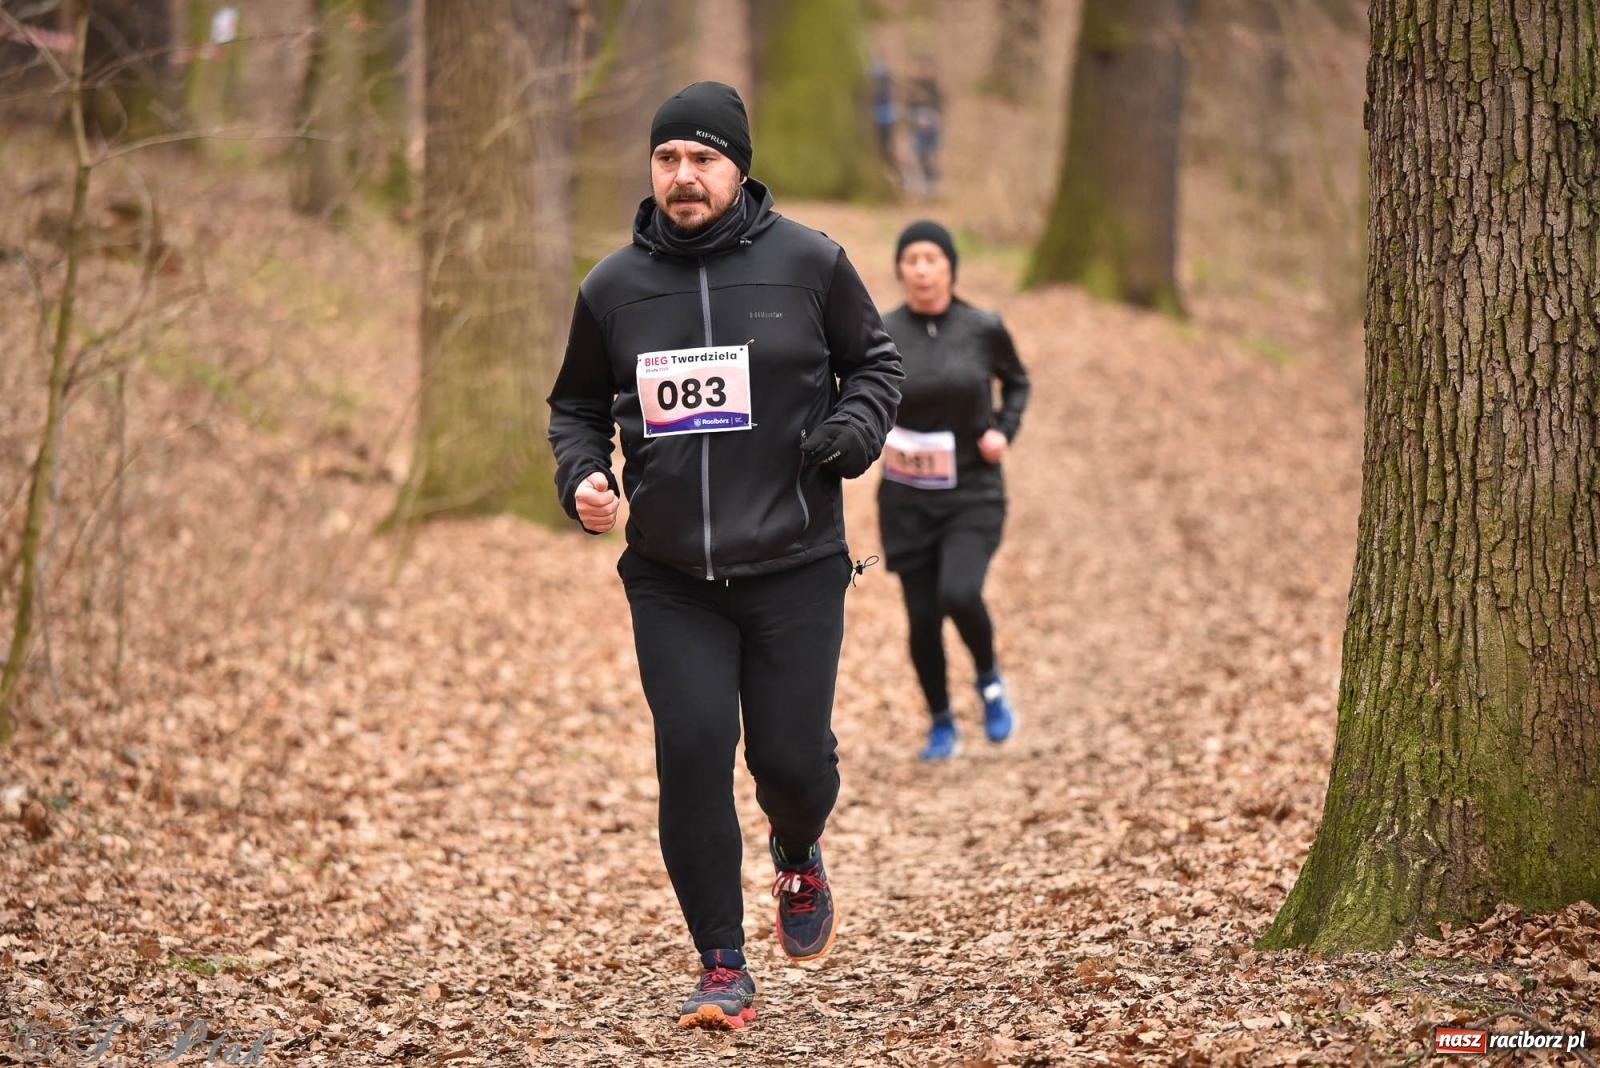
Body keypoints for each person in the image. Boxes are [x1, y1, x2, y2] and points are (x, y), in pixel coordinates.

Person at [546, 82, 902, 1030]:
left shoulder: (809, 263)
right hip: (672, 579)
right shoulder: (613, 287)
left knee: (791, 759)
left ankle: (796, 848)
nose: (684, 176)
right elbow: (575, 407)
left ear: (739, 167)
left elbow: (877, 362)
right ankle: (719, 962)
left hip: (794, 564)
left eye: (702, 158)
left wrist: (854, 430)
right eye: (668, 159)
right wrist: (582, 475)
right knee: (694, 752)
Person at [876, 221, 1029, 760]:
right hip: (906, 497)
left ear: (949, 267)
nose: (921, 269)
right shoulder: (880, 331)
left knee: (959, 592)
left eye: (931, 258)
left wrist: (1002, 431)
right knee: (921, 619)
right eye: (911, 259)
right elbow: (858, 392)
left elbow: (1018, 382)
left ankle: (988, 680)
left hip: (972, 493)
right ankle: (941, 721)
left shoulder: (983, 327)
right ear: (900, 270)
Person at [905, 55, 944, 195]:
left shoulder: (935, 87)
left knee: (930, 155)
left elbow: (940, 106)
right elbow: (908, 104)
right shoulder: (913, 85)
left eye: (928, 68)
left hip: (932, 127)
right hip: (916, 127)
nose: (926, 71)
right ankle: (917, 184)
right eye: (923, 68)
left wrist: (934, 117)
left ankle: (931, 185)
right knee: (916, 154)